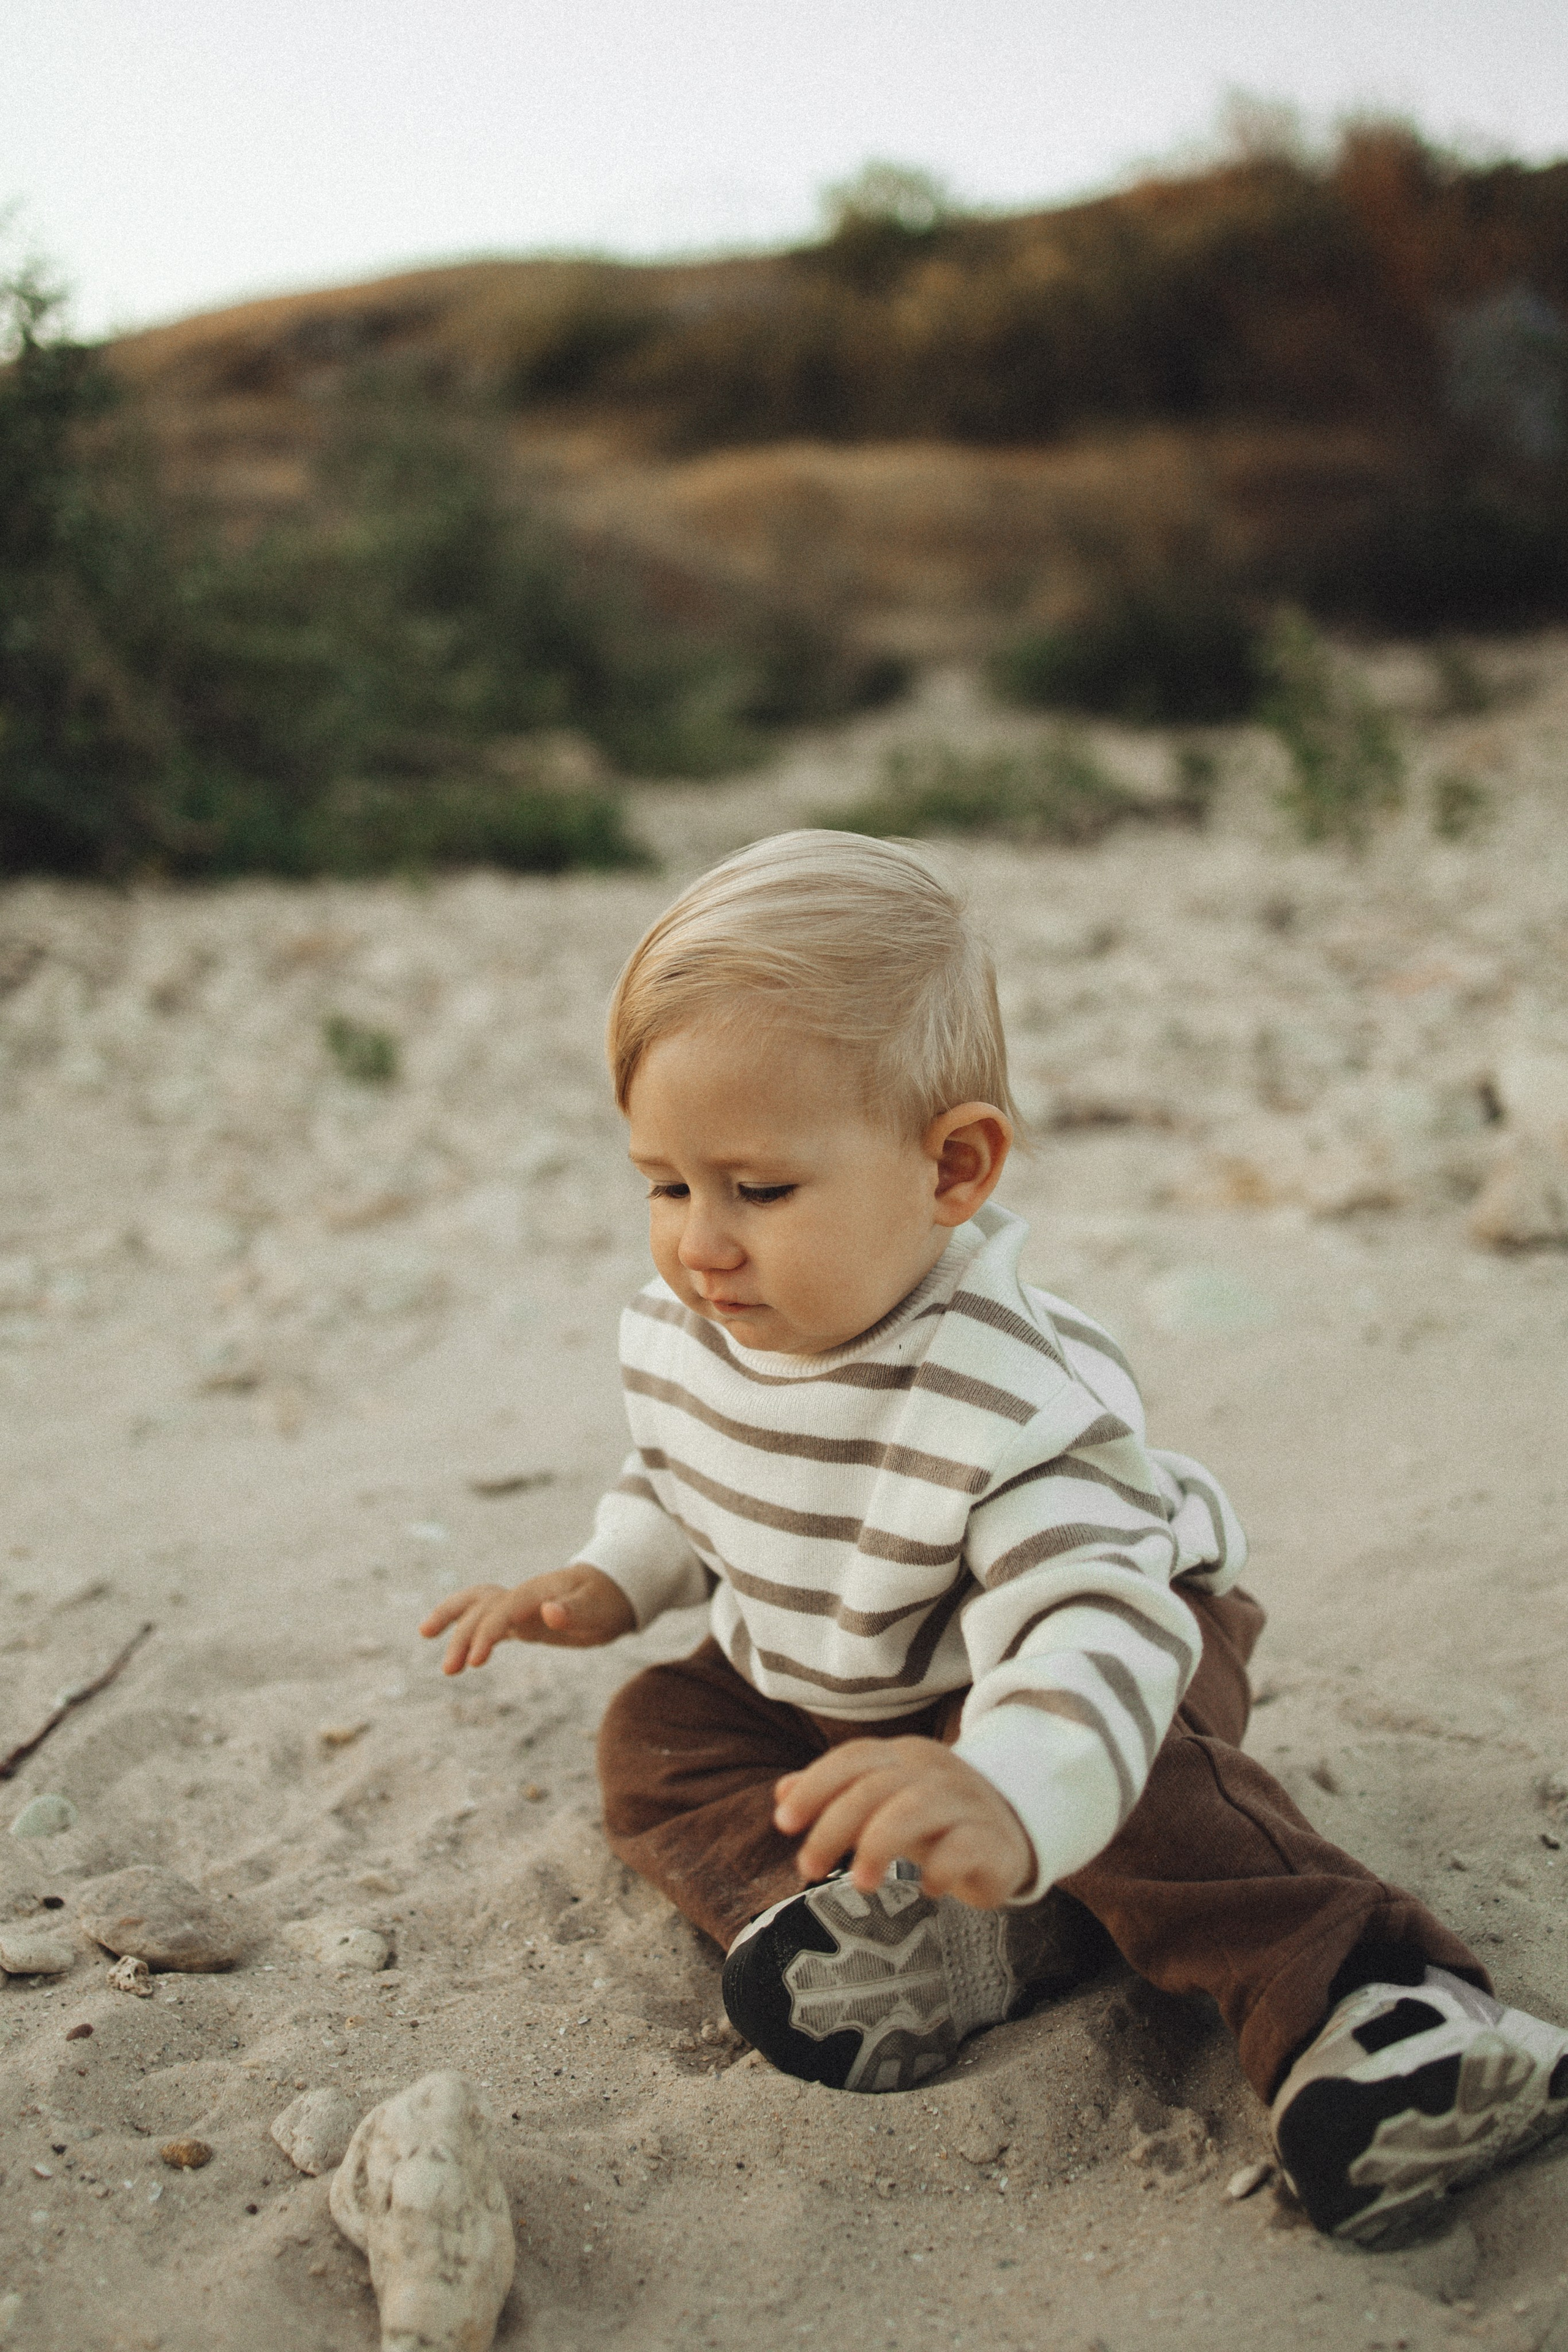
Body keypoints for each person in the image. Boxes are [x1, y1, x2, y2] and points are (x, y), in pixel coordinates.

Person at [423, 830, 1568, 2244]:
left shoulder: (1013, 1394)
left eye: (757, 1189)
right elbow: (683, 1472)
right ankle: (923, 1919)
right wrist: (610, 1576)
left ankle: (1381, 2015)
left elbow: (1088, 1620)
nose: (698, 1244)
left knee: (1154, 1803)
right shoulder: (695, 1324)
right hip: (835, 1664)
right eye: (663, 1184)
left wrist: (1012, 1782)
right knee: (655, 1736)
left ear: (951, 1167)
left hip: (1083, 1652)